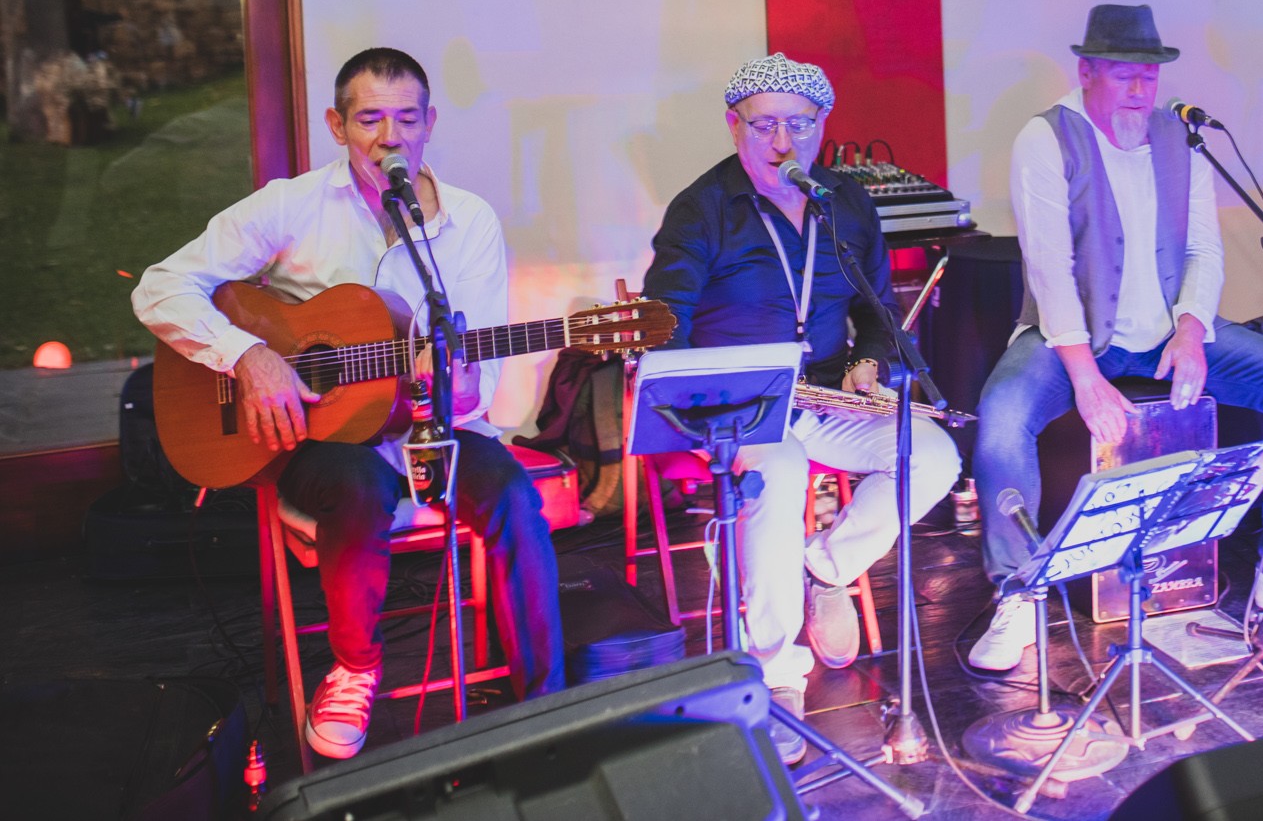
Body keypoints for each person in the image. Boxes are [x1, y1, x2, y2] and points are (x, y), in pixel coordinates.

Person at [134, 48, 564, 759]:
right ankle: (356, 667)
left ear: (429, 124)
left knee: (516, 496)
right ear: (337, 124)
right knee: (361, 484)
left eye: (405, 118)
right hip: (311, 439)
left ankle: (546, 702)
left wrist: (443, 384)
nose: (388, 138)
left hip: (429, 428)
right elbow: (158, 286)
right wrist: (249, 355)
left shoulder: (470, 222)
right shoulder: (291, 205)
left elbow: (471, 392)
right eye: (369, 118)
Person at [969, 4, 1263, 674]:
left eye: (1148, 76)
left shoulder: (1182, 139)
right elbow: (1049, 267)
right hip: (1070, 335)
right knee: (1003, 414)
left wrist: (1190, 328)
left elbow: (1205, 252)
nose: (1139, 89)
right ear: (1088, 71)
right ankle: (1019, 589)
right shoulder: (1045, 140)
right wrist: (1085, 376)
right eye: (1124, 74)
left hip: (1166, 331)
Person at [641, 53, 961, 763]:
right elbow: (666, 319)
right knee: (780, 477)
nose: (783, 142)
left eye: (800, 124)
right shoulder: (701, 208)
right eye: (765, 125)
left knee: (935, 456)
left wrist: (868, 362)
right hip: (742, 398)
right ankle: (776, 669)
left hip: (823, 390)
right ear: (734, 126)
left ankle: (824, 568)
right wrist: (705, 409)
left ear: (823, 126)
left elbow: (877, 309)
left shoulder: (845, 200)